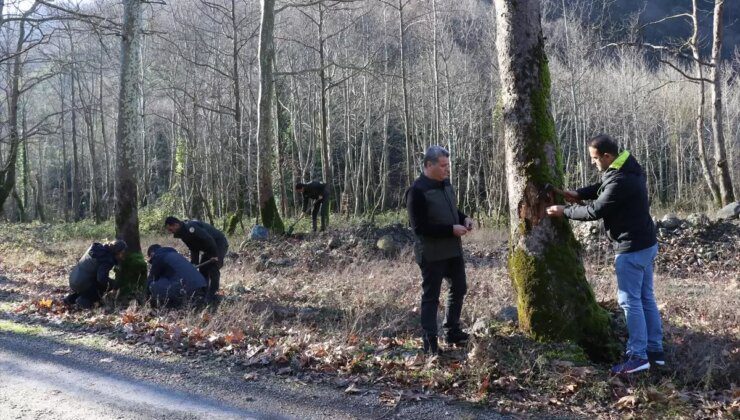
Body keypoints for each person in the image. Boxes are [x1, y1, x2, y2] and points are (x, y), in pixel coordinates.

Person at [546, 134, 663, 375]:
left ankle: (638, 356)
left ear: (607, 156)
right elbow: (603, 188)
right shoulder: (628, 166)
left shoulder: (620, 179)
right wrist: (578, 193)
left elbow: (596, 210)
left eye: (595, 158)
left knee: (630, 301)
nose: (593, 163)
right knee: (645, 298)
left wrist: (565, 211)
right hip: (646, 243)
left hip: (631, 249)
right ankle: (655, 352)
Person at [405, 145, 474, 354]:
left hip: (453, 250)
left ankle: (452, 331)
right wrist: (450, 230)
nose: (447, 169)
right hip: (431, 253)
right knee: (431, 297)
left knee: (459, 288)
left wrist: (464, 218)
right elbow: (420, 228)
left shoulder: (445, 184)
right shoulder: (416, 191)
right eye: (443, 166)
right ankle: (430, 344)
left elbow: (452, 209)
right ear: (428, 165)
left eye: (448, 165)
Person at [164, 216, 228, 303]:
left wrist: (215, 255)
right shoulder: (183, 234)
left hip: (218, 243)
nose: (171, 232)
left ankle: (213, 294)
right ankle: (204, 292)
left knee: (213, 267)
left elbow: (208, 239)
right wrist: (194, 263)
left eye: (171, 229)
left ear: (176, 225)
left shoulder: (191, 227)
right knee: (203, 269)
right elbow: (194, 249)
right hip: (208, 247)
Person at [64, 240, 127, 309]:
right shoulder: (106, 259)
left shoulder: (98, 249)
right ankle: (83, 302)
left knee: (90, 288)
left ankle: (70, 299)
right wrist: (114, 285)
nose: (123, 256)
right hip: (82, 282)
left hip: (74, 278)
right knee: (101, 287)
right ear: (117, 251)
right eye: (122, 253)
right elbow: (101, 279)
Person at [146, 244, 207, 308]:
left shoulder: (158, 256)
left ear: (152, 254)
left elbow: (151, 279)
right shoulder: (175, 255)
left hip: (187, 289)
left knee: (152, 285)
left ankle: (171, 305)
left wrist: (144, 298)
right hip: (202, 286)